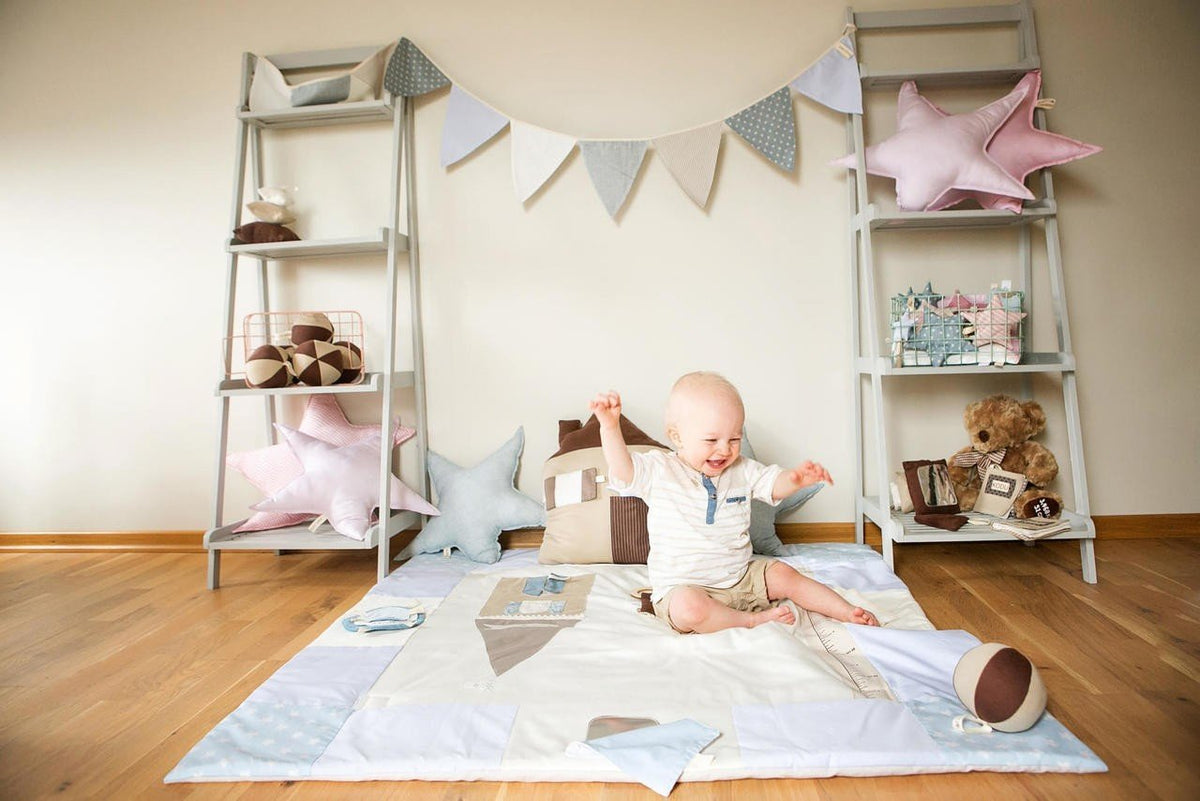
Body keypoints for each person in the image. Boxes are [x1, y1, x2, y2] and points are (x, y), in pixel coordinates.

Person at [590, 372, 879, 634]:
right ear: (677, 436)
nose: (724, 449)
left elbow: (772, 484)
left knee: (784, 574)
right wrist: (610, 427)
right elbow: (623, 471)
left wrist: (796, 478)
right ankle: (750, 621)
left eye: (734, 438)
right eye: (712, 439)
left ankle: (847, 612)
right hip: (685, 588)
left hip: (741, 578)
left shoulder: (742, 469)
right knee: (689, 609)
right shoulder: (660, 470)